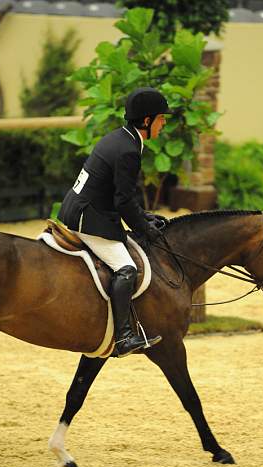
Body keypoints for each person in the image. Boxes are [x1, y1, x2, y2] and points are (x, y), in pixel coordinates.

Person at [58, 87, 172, 357]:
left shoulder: (120, 138)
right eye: (161, 118)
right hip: (88, 216)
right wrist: (146, 230)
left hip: (80, 206)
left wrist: (144, 217)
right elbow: (122, 202)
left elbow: (123, 197)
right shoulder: (129, 151)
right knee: (127, 268)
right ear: (146, 121)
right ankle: (123, 337)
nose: (164, 123)